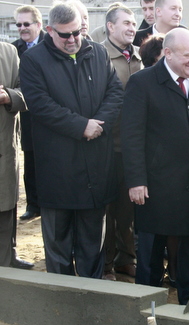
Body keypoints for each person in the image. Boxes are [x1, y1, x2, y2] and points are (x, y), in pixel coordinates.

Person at [121, 28, 189, 304]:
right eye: (188, 55)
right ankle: (146, 311)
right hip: (156, 187)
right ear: (168, 54)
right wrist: (136, 180)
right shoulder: (142, 82)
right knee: (149, 256)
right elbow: (131, 135)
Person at [19, 2, 124, 278]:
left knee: (93, 240)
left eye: (76, 32)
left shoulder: (98, 53)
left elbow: (115, 93)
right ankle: (63, 296)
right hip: (58, 168)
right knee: (59, 241)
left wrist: (97, 124)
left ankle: (92, 291)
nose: (72, 39)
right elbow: (40, 105)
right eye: (65, 35)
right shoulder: (33, 61)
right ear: (50, 30)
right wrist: (81, 126)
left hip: (96, 165)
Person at [101, 4, 143, 281]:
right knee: (107, 211)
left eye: (133, 23)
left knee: (128, 212)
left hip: (132, 147)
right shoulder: (98, 56)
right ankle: (104, 266)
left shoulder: (139, 57)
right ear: (110, 26)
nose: (131, 27)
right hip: (105, 147)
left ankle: (126, 260)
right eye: (125, 23)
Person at [12, 5, 43, 224]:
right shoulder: (14, 50)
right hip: (27, 115)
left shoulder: (50, 45)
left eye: (26, 24)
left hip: (51, 113)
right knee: (30, 160)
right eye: (19, 25)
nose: (22, 28)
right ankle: (33, 205)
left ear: (39, 25)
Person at [0, 43, 27, 267]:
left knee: (5, 207)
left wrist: (9, 96)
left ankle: (7, 260)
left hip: (3, 150)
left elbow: (26, 91)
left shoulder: (8, 52)